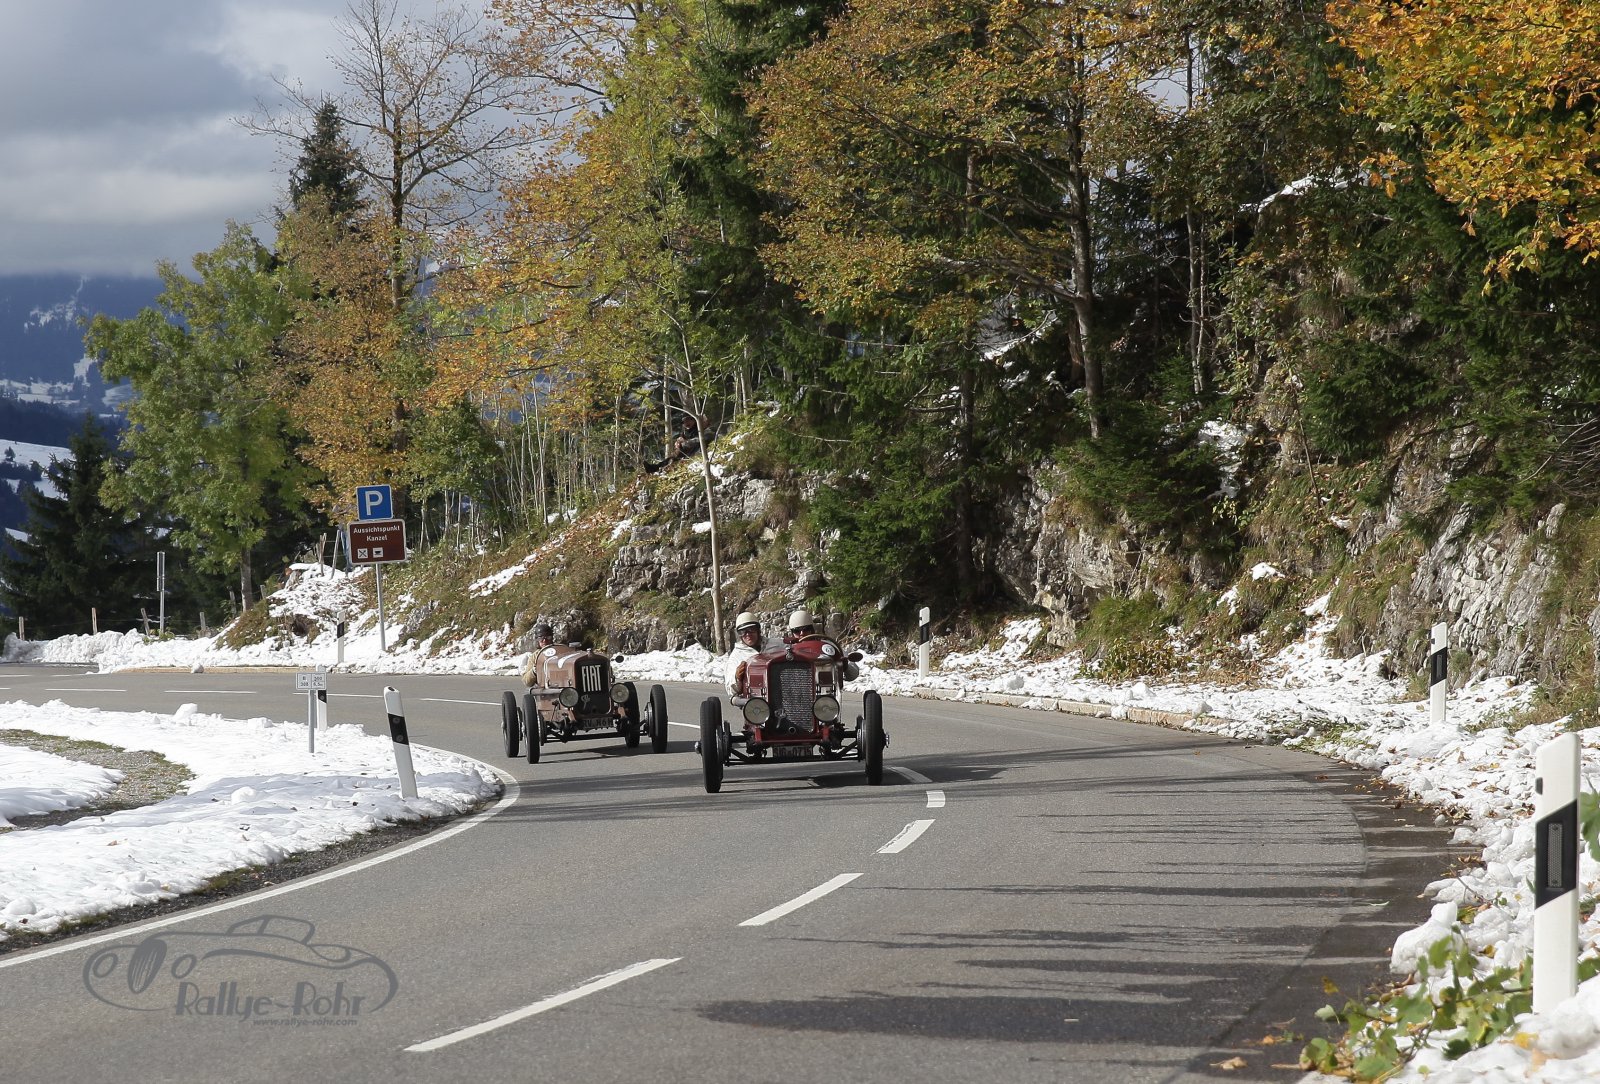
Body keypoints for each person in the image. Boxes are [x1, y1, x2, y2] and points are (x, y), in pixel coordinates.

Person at [785, 607, 859, 680]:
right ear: (792, 632)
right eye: (797, 630)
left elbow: (854, 674)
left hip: (827, 685)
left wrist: (846, 667)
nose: (802, 633)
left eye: (806, 629)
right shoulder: (788, 652)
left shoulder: (828, 647)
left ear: (811, 629)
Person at [724, 611, 763, 698]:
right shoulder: (736, 657)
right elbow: (731, 690)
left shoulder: (775, 645)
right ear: (739, 635)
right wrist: (737, 678)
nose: (748, 634)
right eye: (743, 631)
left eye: (751, 629)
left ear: (758, 630)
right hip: (754, 699)